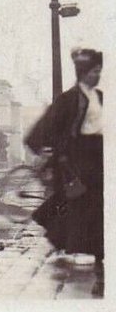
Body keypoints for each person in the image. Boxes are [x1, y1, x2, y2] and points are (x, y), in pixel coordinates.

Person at [26, 48, 104, 297]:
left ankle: (89, 253)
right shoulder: (69, 99)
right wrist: (50, 151)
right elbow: (48, 126)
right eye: (94, 71)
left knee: (84, 209)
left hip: (96, 160)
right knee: (84, 208)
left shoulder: (100, 96)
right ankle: (96, 259)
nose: (98, 75)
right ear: (83, 73)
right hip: (76, 163)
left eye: (99, 71)